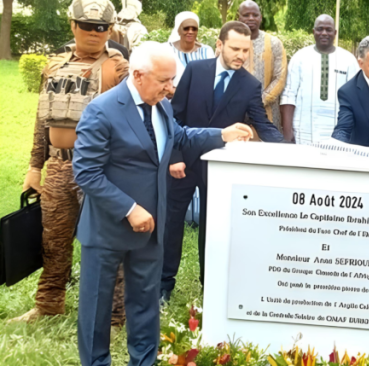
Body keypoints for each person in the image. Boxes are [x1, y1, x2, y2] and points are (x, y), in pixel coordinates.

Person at [74, 41, 253, 366]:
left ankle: (144, 361)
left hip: (151, 227)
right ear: (139, 75)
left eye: (173, 80)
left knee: (145, 304)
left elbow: (179, 137)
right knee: (96, 309)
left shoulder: (161, 107)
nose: (171, 89)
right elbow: (86, 172)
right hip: (107, 229)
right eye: (164, 81)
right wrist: (129, 208)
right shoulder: (102, 110)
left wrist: (220, 134)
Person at [13, 0, 128, 325]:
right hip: (58, 167)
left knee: (108, 242)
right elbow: (42, 120)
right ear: (73, 25)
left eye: (102, 28)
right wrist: (35, 166)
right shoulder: (54, 65)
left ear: (110, 29)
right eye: (88, 26)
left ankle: (116, 316)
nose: (95, 33)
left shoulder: (118, 68)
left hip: (101, 169)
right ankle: (49, 302)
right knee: (53, 239)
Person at [163, 21, 283, 299]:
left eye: (246, 50)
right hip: (183, 163)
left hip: (218, 167)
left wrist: (288, 150)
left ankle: (210, 286)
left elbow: (262, 124)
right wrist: (175, 157)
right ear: (219, 45)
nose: (241, 55)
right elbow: (174, 117)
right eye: (235, 49)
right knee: (172, 223)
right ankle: (164, 285)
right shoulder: (195, 71)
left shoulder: (250, 85)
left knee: (212, 227)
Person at [280, 14, 358, 144]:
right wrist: (287, 132)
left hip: (339, 134)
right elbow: (289, 95)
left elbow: (355, 99)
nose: (324, 33)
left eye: (328, 30)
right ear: (313, 32)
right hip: (302, 132)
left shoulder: (349, 60)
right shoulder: (299, 58)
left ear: (335, 32)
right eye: (320, 29)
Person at [238, 0, 287, 131]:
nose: (251, 18)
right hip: (236, 111)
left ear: (260, 17)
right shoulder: (230, 42)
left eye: (255, 15)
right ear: (239, 17)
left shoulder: (274, 43)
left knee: (268, 148)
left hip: (268, 112)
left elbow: (280, 78)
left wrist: (259, 102)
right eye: (246, 15)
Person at [167, 11, 215, 93]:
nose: (190, 32)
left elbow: (211, 80)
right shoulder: (166, 49)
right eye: (186, 28)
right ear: (178, 30)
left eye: (194, 29)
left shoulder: (207, 51)